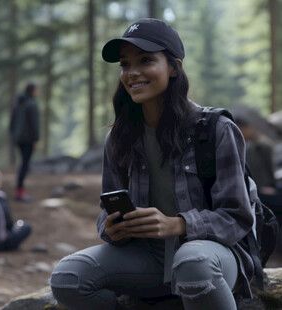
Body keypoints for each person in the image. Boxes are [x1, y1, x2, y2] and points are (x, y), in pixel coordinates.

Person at [50, 19, 254, 310]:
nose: (132, 73)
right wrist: (112, 228)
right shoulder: (118, 138)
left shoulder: (217, 129)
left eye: (145, 60)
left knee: (192, 263)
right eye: (124, 64)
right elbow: (106, 208)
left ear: (174, 68)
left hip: (213, 258)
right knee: (68, 277)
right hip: (148, 259)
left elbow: (237, 217)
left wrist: (177, 224)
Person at [236, 117, 282, 224]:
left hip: (267, 191)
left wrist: (271, 187)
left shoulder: (263, 145)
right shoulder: (248, 146)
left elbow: (271, 170)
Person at [10, 83, 40, 202]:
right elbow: (34, 124)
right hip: (28, 139)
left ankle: (20, 189)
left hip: (18, 139)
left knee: (23, 164)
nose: (39, 92)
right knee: (25, 165)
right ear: (32, 91)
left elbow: (12, 123)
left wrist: (14, 135)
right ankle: (20, 190)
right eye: (38, 90)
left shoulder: (18, 103)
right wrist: (36, 139)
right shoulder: (32, 104)